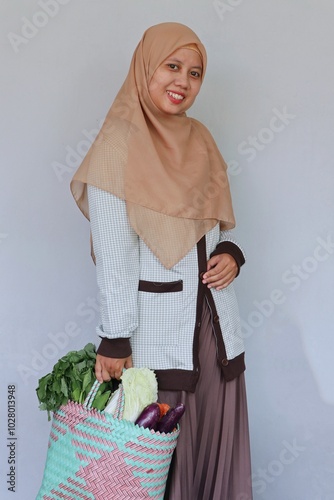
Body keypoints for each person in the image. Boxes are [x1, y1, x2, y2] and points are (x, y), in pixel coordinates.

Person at [71, 22, 252, 500]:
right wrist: (114, 335)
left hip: (215, 335)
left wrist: (231, 254)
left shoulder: (202, 140)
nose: (183, 81)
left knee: (212, 458)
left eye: (195, 73)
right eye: (172, 67)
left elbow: (218, 228)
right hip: (157, 337)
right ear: (145, 67)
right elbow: (113, 253)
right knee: (149, 467)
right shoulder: (116, 147)